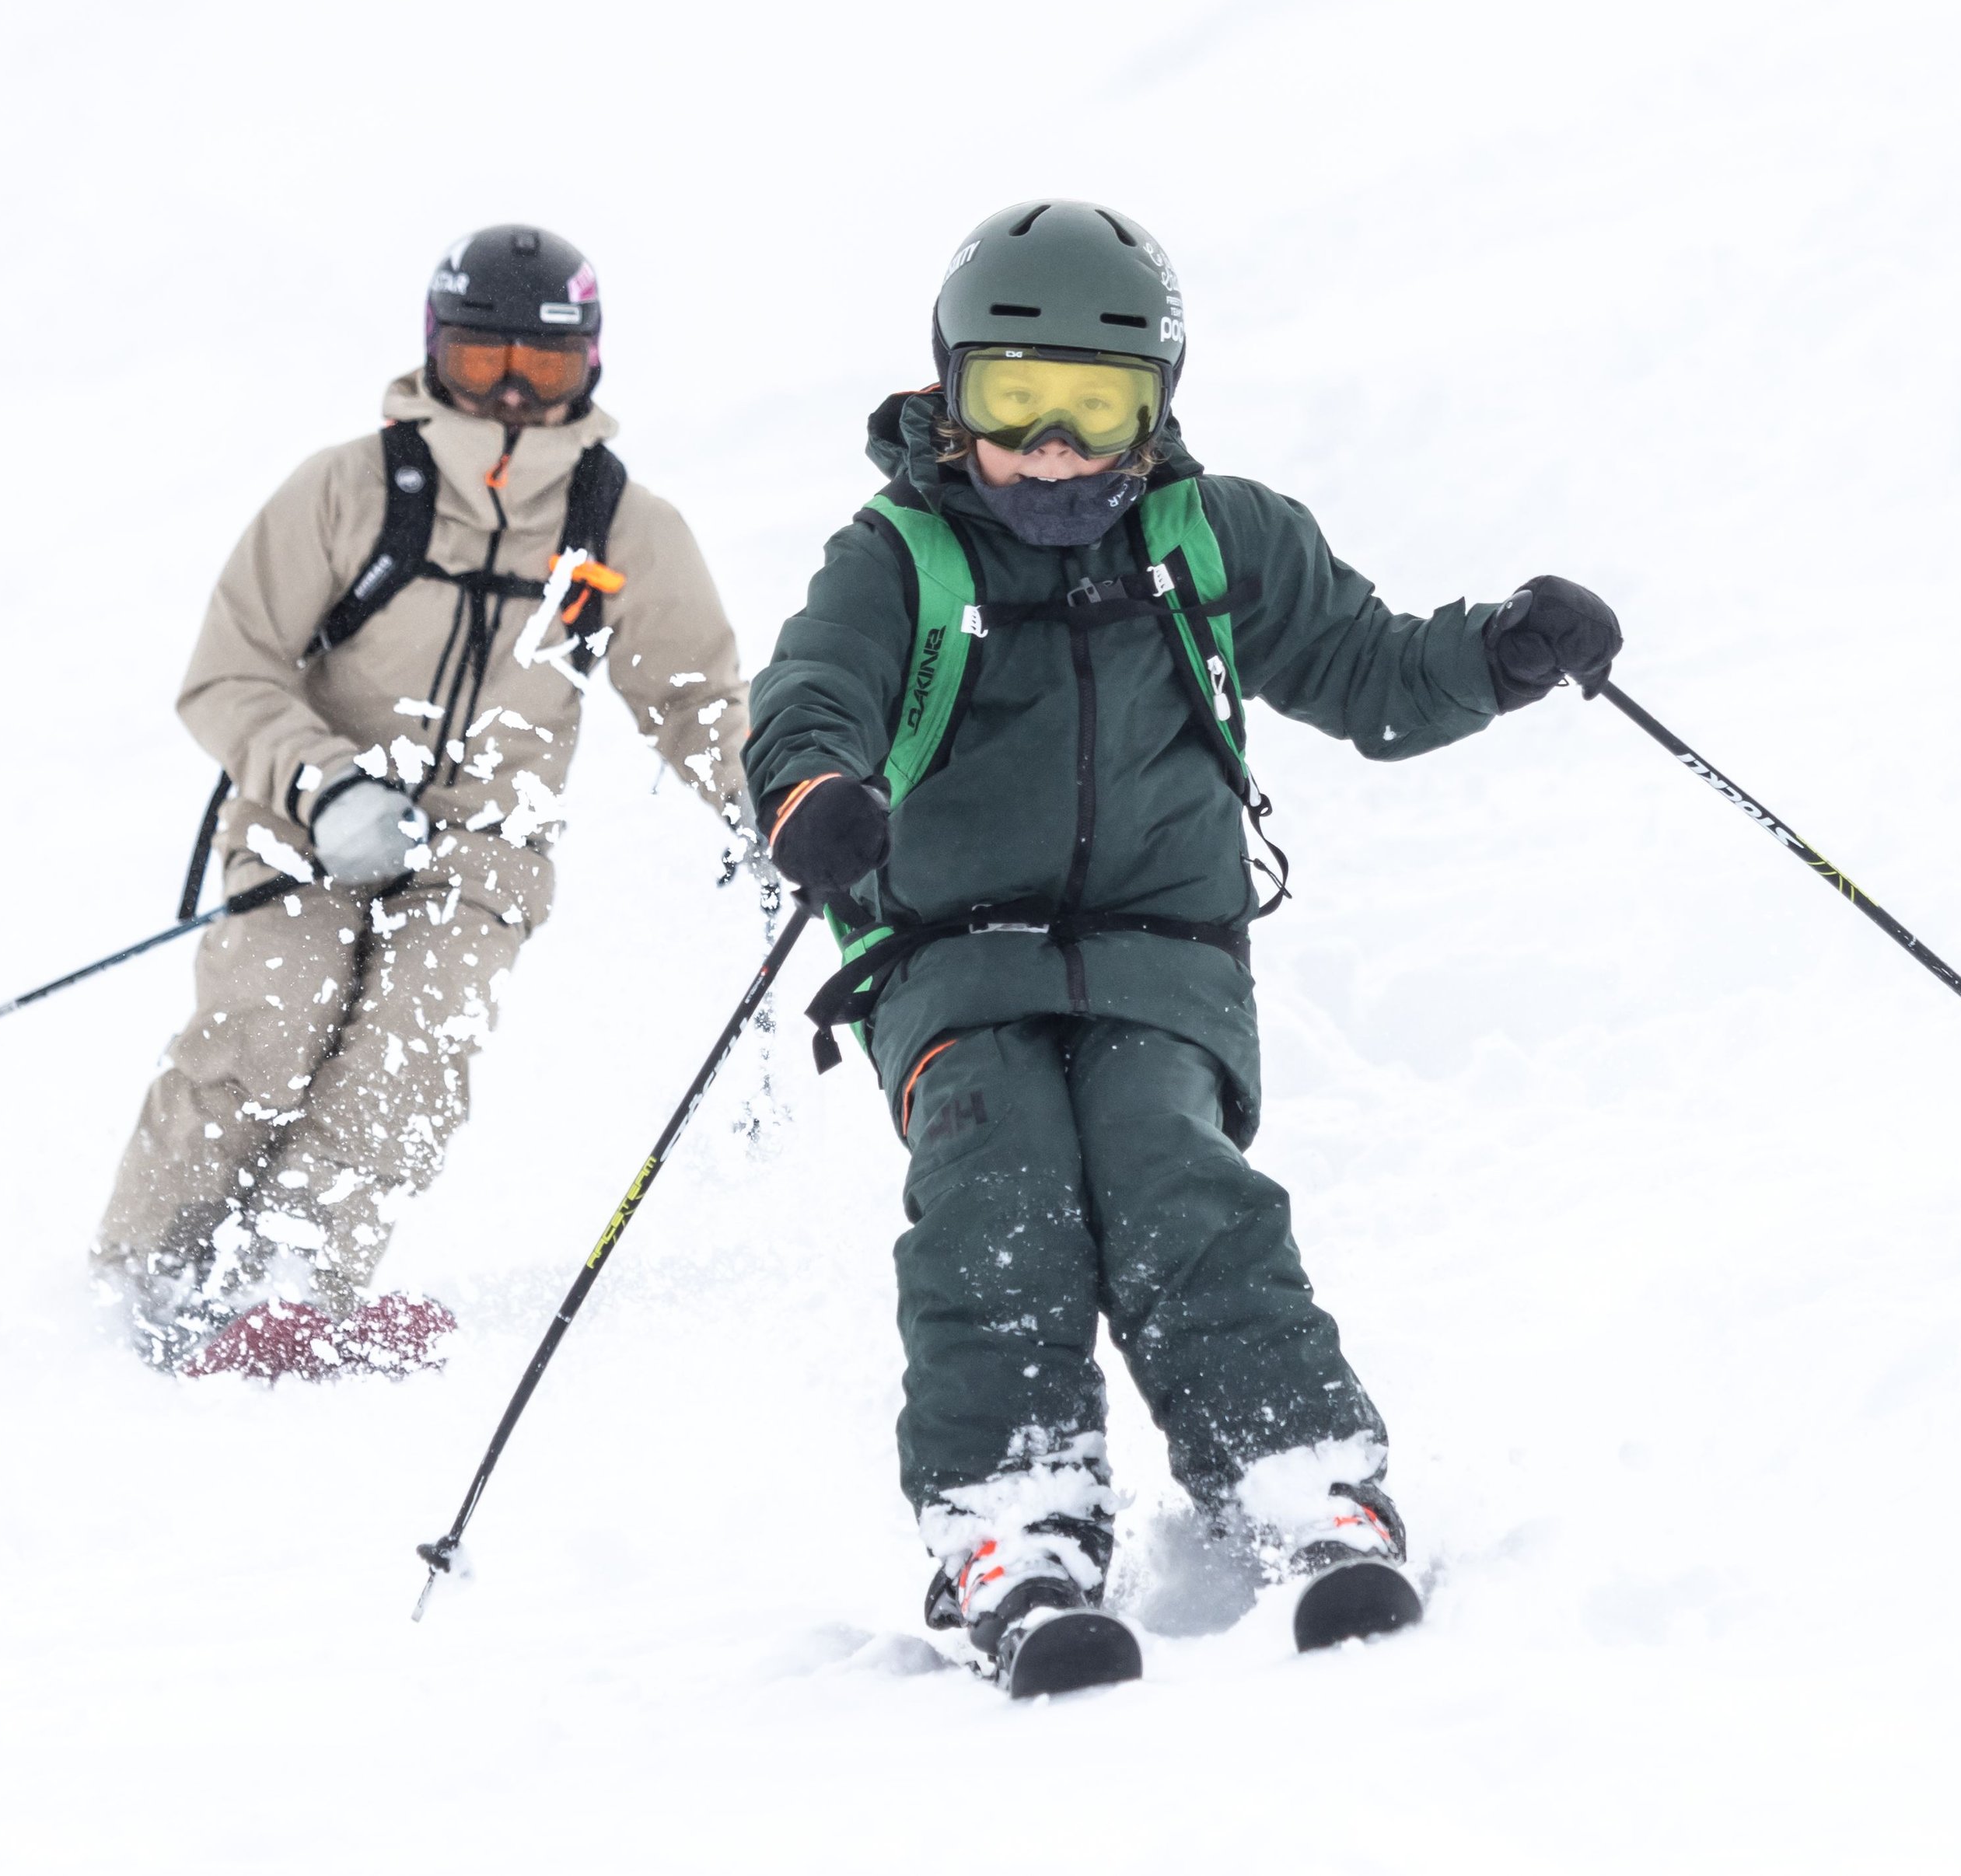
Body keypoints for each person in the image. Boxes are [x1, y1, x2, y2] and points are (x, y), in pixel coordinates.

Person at [744, 201, 1622, 1688]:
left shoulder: (1216, 542)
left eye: (1097, 410)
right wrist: (818, 794)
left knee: (1173, 1173)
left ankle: (1298, 1477)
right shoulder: (899, 558)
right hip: (951, 955)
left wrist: (1497, 653)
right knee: (996, 1175)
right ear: (950, 396)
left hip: (1165, 950)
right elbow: (811, 691)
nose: (1055, 451)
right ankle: (1011, 1520)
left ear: (1158, 408)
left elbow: (1370, 670)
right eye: (1014, 405)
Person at [96, 225, 751, 1378]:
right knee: (268, 1029)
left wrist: (783, 804)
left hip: (484, 848)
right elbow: (228, 670)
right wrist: (322, 781)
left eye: (541, 370)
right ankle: (146, 1276)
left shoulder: (621, 528)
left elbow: (699, 701)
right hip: (311, 822)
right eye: (480, 361)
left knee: (408, 1058)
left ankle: (293, 1279)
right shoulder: (348, 491)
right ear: (432, 354)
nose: (509, 393)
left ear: (588, 368)